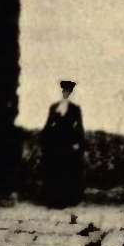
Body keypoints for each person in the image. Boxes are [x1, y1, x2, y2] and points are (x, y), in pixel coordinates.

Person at [40, 80, 85, 208]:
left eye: (69, 91)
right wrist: (44, 140)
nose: (66, 93)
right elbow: (48, 124)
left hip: (68, 142)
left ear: (71, 93)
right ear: (62, 92)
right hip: (55, 142)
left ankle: (67, 199)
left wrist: (78, 142)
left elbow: (79, 127)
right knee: (54, 169)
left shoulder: (75, 109)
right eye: (64, 91)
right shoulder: (54, 107)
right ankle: (52, 199)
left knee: (66, 170)